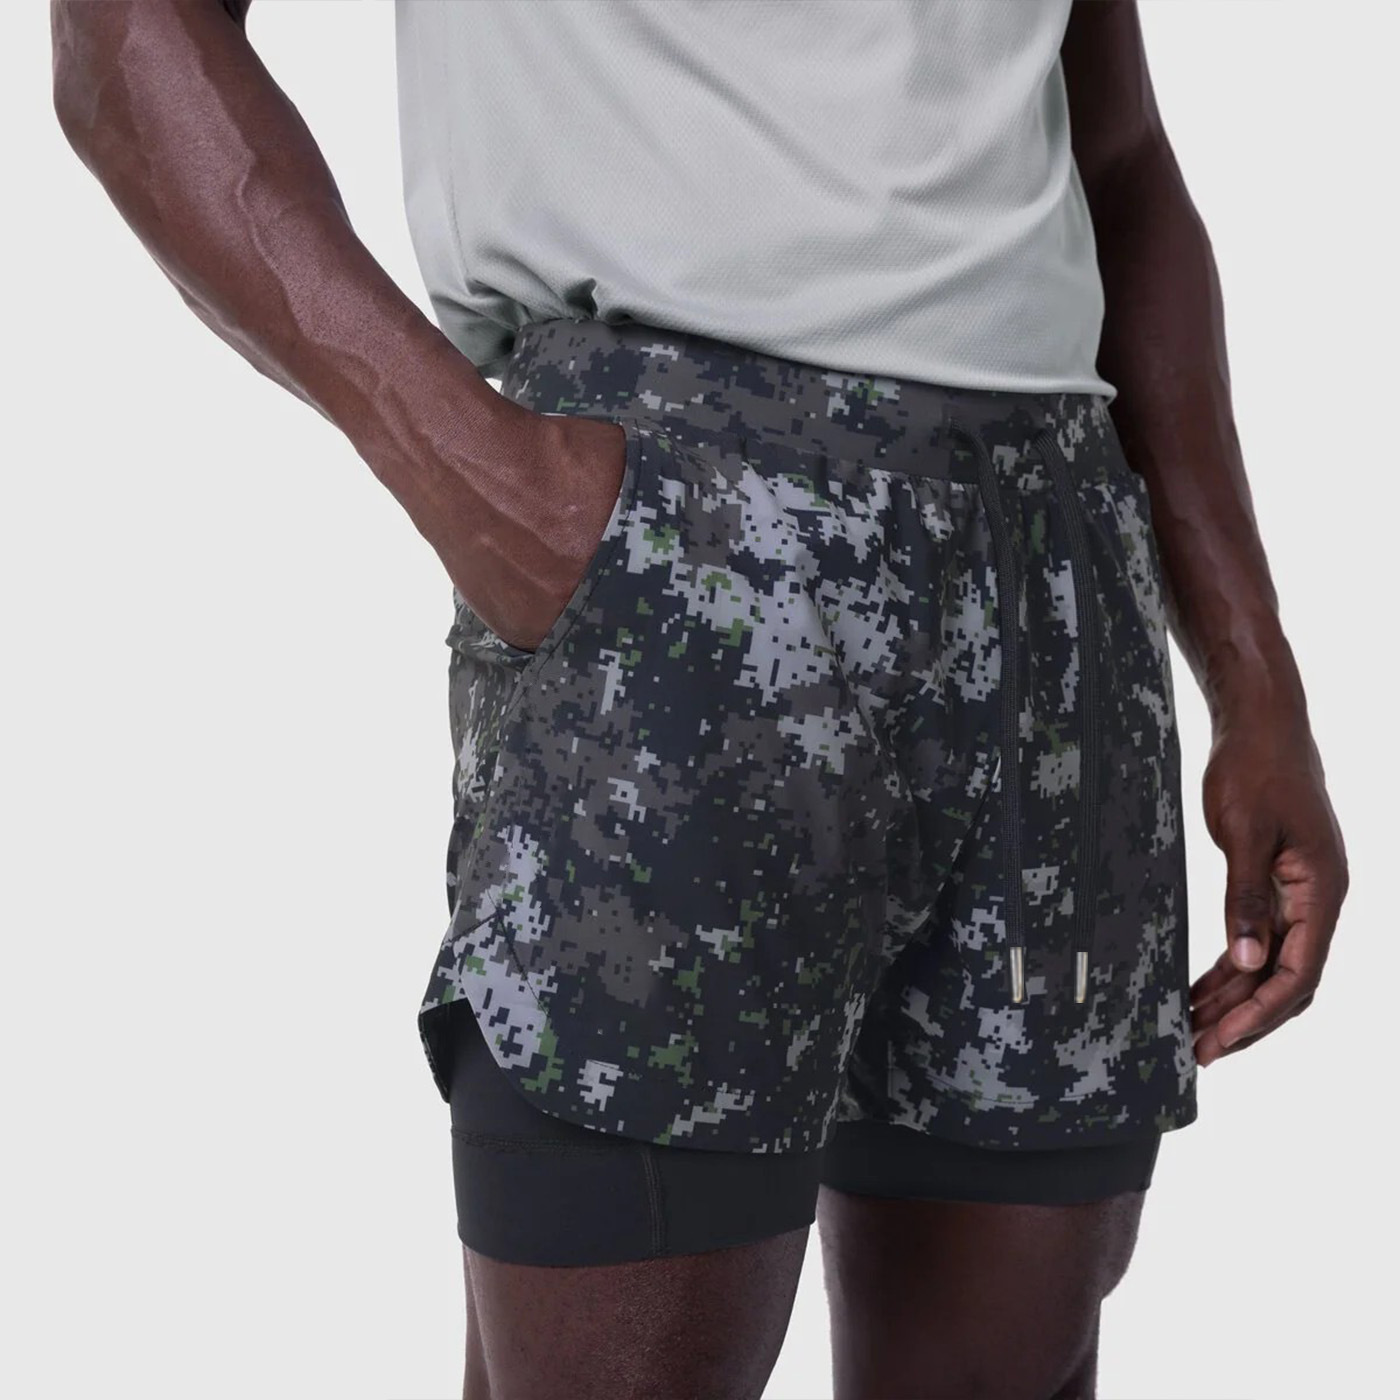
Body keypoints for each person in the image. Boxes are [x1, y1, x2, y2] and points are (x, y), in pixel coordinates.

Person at [51, 2, 1348, 1397]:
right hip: (688, 535)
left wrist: (1256, 682)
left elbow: (1118, 153)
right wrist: (483, 481)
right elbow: (121, 34)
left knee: (1019, 1357)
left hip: (1059, 575)